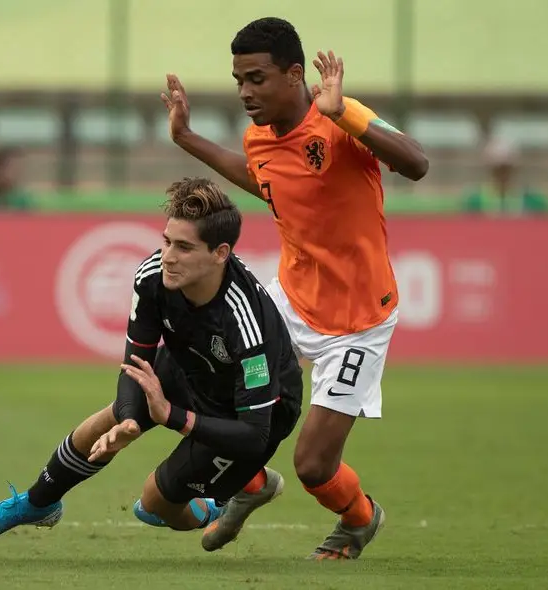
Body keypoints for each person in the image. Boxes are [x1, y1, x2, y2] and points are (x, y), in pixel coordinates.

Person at [161, 17, 430, 560]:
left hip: (358, 321)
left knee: (313, 466)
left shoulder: (339, 122)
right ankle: (251, 483)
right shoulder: (259, 136)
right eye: (239, 80)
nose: (245, 92)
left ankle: (359, 520)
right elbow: (261, 180)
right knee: (203, 381)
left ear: (294, 74)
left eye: (257, 78)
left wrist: (345, 114)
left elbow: (417, 163)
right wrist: (187, 139)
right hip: (288, 303)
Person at [0, 177, 304, 544]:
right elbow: (135, 363)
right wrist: (128, 420)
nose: (168, 256)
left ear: (220, 253)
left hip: (251, 410)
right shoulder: (153, 277)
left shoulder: (246, 322)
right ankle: (37, 503)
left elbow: (254, 432)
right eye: (167, 241)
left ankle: (230, 494)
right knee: (110, 418)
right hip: (192, 367)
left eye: (184, 248)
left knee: (154, 506)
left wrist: (170, 415)